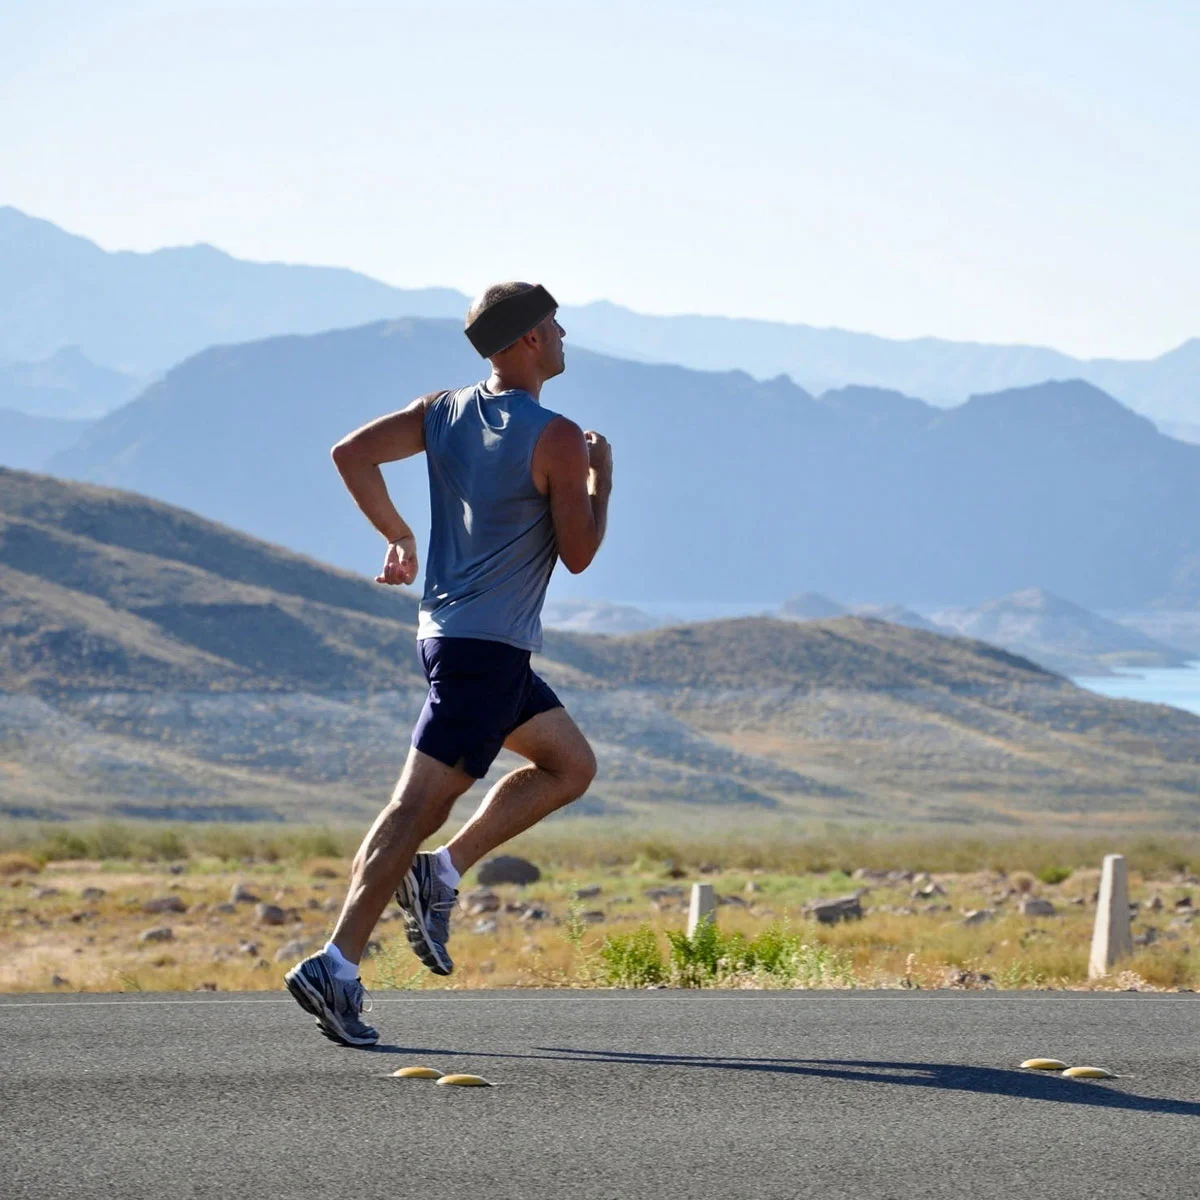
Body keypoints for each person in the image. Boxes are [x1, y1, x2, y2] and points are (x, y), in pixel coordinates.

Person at [285, 282, 613, 1046]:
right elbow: (580, 554)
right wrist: (602, 480)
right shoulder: (558, 437)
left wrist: (398, 534)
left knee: (569, 765)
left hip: (454, 639)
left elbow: (351, 453)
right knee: (414, 807)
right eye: (555, 325)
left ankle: (442, 872)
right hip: (486, 651)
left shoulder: (442, 410)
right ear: (529, 339)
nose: (564, 335)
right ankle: (336, 963)